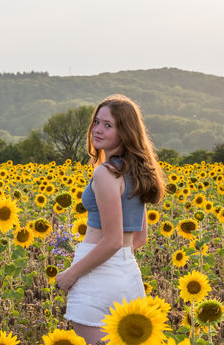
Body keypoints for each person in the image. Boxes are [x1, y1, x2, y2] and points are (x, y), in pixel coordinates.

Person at [56, 94, 165, 344]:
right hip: (127, 274)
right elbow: (139, 237)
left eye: (108, 125)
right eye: (96, 122)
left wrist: (71, 274)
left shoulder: (105, 173)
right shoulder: (137, 172)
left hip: (96, 275)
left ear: (124, 132)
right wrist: (116, 262)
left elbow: (113, 240)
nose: (98, 130)